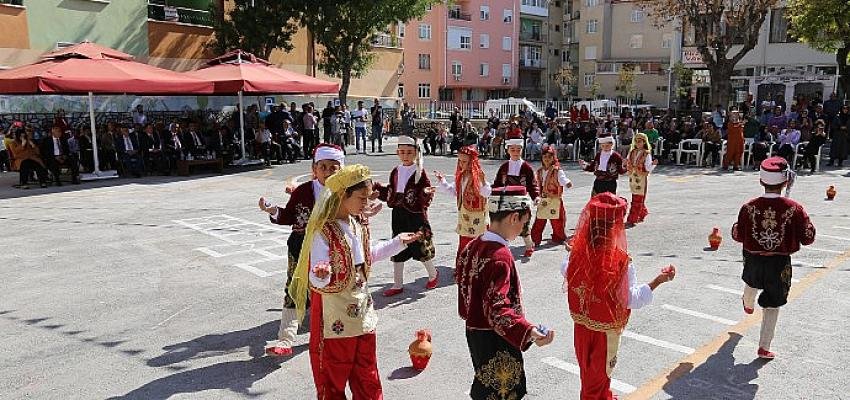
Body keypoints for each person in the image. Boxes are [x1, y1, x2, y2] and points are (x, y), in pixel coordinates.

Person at [287, 164, 421, 399]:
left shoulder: (356, 224)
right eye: (361, 197)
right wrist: (321, 272)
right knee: (334, 374)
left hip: (362, 314)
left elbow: (367, 256)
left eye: (368, 197)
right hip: (335, 318)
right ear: (342, 195)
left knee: (367, 372)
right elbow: (316, 274)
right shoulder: (322, 231)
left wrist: (398, 242)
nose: (366, 203)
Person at [565, 193, 676, 399]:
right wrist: (658, 281)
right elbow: (630, 299)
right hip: (604, 334)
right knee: (595, 383)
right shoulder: (619, 262)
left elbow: (566, 271)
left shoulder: (578, 253)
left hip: (581, 328)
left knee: (589, 377)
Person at [456, 186, 556, 400]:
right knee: (503, 389)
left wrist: (469, 314)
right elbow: (498, 310)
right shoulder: (499, 257)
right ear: (513, 217)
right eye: (523, 222)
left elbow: (463, 285)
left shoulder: (473, 245)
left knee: (485, 378)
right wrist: (528, 331)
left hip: (476, 331)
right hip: (497, 336)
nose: (522, 228)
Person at [259, 144, 345, 357]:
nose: (327, 172)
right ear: (314, 169)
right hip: (300, 247)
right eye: (322, 167)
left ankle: (329, 334)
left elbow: (354, 218)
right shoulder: (303, 191)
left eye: (333, 167)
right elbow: (288, 216)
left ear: (341, 169)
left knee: (329, 291)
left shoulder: (345, 193)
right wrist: (272, 209)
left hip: (331, 251)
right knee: (294, 289)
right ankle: (285, 340)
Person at [731, 156, 816, 359]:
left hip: (753, 257)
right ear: (785, 181)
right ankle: (764, 346)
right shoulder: (795, 208)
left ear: (761, 181)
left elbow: (737, 234)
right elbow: (808, 238)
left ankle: (748, 303)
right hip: (779, 262)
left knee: (751, 282)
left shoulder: (748, 207)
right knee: (773, 302)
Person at [373, 135, 438, 296]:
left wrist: (425, 193)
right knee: (397, 246)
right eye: (402, 152)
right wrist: (378, 191)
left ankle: (433, 275)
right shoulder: (396, 170)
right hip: (399, 213)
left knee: (421, 246)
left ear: (415, 153)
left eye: (409, 152)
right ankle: (397, 284)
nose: (405, 155)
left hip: (415, 215)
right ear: (397, 153)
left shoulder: (419, 172)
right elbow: (391, 190)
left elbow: (425, 191)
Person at [434, 145, 492, 258]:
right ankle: (463, 267)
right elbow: (454, 191)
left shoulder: (477, 178)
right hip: (464, 216)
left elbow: (486, 193)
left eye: (464, 161)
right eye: (459, 161)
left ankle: (476, 268)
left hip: (477, 217)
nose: (461, 164)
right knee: (464, 242)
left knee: (478, 242)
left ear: (472, 162)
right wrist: (442, 181)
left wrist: (483, 181)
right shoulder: (461, 177)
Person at [493, 129, 540, 257]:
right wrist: (490, 192)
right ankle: (504, 248)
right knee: (505, 225)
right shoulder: (503, 167)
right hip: (506, 200)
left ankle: (529, 245)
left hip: (522, 200)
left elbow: (532, 184)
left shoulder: (527, 168)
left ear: (522, 150)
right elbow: (497, 184)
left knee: (523, 225)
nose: (515, 152)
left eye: (518, 150)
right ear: (508, 150)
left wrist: (536, 197)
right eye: (512, 150)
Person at [530, 145, 572, 248]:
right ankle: (535, 240)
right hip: (543, 199)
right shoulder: (539, 171)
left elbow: (562, 179)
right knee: (539, 220)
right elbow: (535, 183)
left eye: (549, 157)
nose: (547, 159)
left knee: (557, 221)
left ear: (553, 158)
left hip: (555, 200)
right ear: (542, 158)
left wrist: (567, 183)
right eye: (545, 157)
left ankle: (559, 237)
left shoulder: (557, 170)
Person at [624, 132, 657, 227]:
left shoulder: (646, 154)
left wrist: (653, 165)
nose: (638, 143)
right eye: (636, 141)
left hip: (641, 178)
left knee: (637, 198)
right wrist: (625, 163)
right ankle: (642, 213)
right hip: (633, 178)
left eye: (640, 141)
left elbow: (648, 168)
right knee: (636, 196)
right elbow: (627, 163)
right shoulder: (632, 152)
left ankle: (632, 218)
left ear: (644, 142)